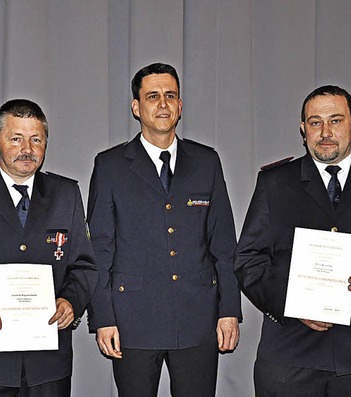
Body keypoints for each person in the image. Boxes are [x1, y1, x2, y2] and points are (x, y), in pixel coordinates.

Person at [235, 85, 351, 397]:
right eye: (315, 122)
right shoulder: (275, 183)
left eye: (336, 120)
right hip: (290, 358)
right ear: (303, 129)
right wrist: (291, 302)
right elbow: (248, 260)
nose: (325, 132)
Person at [86, 62, 242, 397]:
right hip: (132, 320)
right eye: (152, 96)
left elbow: (224, 244)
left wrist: (229, 310)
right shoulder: (110, 166)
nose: (162, 104)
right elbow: (99, 249)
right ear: (136, 107)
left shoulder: (207, 162)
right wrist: (103, 317)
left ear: (180, 106)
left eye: (170, 96)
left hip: (197, 318)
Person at [0, 99, 98, 397]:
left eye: (36, 139)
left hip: (48, 363)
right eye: (16, 138)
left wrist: (70, 301)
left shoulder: (65, 194)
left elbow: (84, 264)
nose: (27, 149)